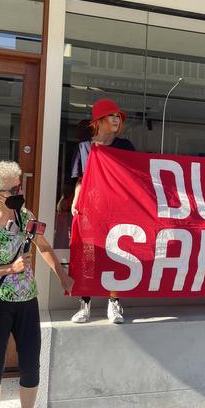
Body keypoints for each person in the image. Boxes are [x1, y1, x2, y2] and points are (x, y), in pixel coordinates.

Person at [0, 161, 74, 408]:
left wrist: (62, 276)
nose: (20, 192)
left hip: (27, 300)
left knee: (30, 365)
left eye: (20, 186)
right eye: (15, 189)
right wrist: (9, 269)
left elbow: (43, 247)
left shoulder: (25, 216)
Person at [70, 98, 134, 324]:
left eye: (118, 116)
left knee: (117, 256)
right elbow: (80, 179)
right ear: (99, 120)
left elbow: (133, 178)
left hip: (117, 208)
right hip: (91, 207)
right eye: (111, 115)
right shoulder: (85, 147)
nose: (116, 119)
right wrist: (75, 200)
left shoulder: (125, 147)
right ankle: (84, 304)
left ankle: (114, 304)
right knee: (88, 256)